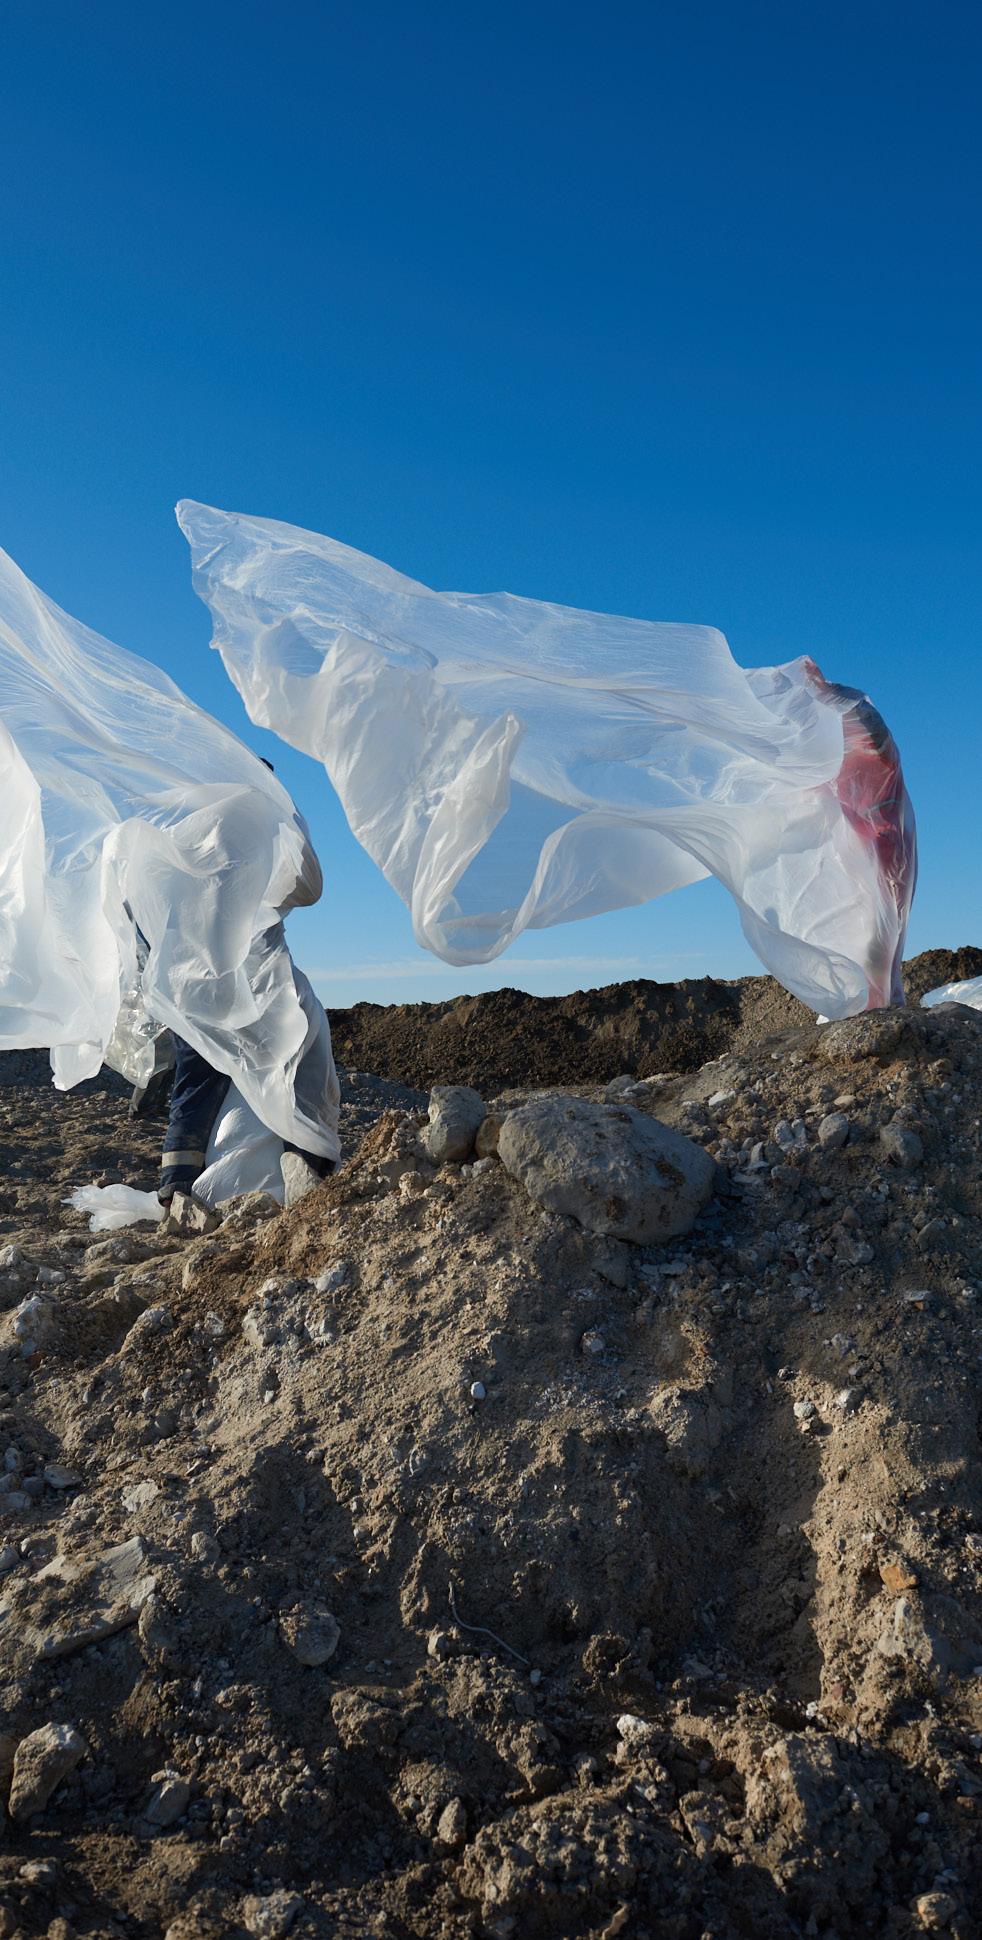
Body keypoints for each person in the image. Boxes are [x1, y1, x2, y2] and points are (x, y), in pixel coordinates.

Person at [158, 762, 337, 1211]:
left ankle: (176, 1183)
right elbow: (308, 888)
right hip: (255, 988)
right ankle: (307, 1165)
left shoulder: (183, 842)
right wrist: (290, 817)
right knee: (295, 1066)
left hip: (193, 987)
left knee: (195, 1084)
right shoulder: (255, 847)